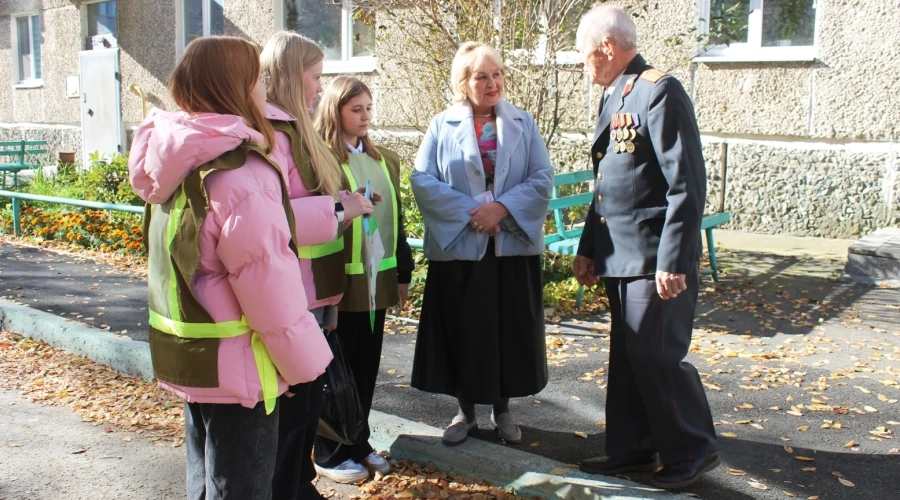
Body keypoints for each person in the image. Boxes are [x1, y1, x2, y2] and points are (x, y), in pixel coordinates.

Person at [127, 36, 332, 500]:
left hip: (194, 361)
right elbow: (268, 287)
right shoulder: (242, 173)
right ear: (234, 87)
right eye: (257, 79)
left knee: (205, 487)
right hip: (243, 369)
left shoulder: (175, 161)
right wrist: (305, 367)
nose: (263, 89)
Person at [571, 5, 719, 489]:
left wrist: (674, 259)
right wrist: (590, 246)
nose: (582, 65)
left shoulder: (659, 91)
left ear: (607, 48)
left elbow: (686, 185)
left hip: (655, 258)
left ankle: (693, 449)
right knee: (631, 357)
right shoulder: (616, 93)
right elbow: (608, 183)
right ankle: (632, 447)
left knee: (657, 356)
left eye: (583, 54)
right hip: (621, 255)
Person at [409, 42, 553, 447]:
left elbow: (542, 177)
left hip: (509, 247)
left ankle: (503, 411)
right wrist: (473, 212)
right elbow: (422, 179)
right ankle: (465, 413)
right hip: (463, 247)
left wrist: (502, 208)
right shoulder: (442, 125)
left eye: (498, 74)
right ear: (463, 82)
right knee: (465, 329)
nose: (493, 83)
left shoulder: (524, 122)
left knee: (507, 331)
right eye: (481, 76)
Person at [260, 32, 376, 498]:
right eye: (314, 77)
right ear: (291, 76)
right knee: (294, 411)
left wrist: (340, 205)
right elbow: (274, 216)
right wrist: (339, 211)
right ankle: (293, 488)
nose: (318, 88)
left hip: (314, 288)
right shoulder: (275, 134)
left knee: (305, 407)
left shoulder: (292, 129)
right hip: (296, 291)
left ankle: (299, 484)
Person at [311, 75, 414, 481]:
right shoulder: (321, 158)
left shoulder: (385, 158)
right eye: (356, 109)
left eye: (369, 107)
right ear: (335, 111)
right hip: (341, 283)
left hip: (378, 279)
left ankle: (359, 440)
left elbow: (398, 219)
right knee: (339, 368)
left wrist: (402, 270)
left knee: (367, 366)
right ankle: (331, 450)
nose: (366, 116)